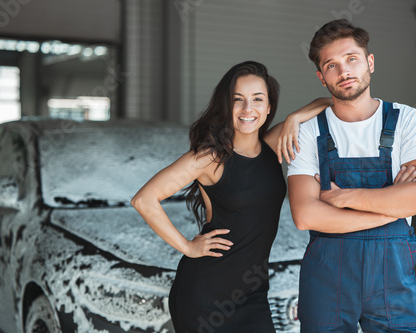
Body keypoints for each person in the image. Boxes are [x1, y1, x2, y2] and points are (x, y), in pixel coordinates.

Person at [131, 61, 330, 332]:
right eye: (238, 100)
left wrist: (294, 117)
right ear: (227, 106)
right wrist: (188, 247)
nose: (248, 109)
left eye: (257, 100)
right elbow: (143, 200)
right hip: (205, 295)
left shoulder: (273, 146)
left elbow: (329, 102)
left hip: (252, 294)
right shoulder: (210, 158)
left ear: (269, 107)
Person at [287, 19, 416, 332]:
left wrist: (343, 198)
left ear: (369, 62)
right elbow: (305, 216)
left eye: (351, 59)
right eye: (331, 65)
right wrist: (394, 207)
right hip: (326, 282)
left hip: (392, 281)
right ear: (321, 77)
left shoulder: (406, 120)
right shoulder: (307, 131)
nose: (344, 71)